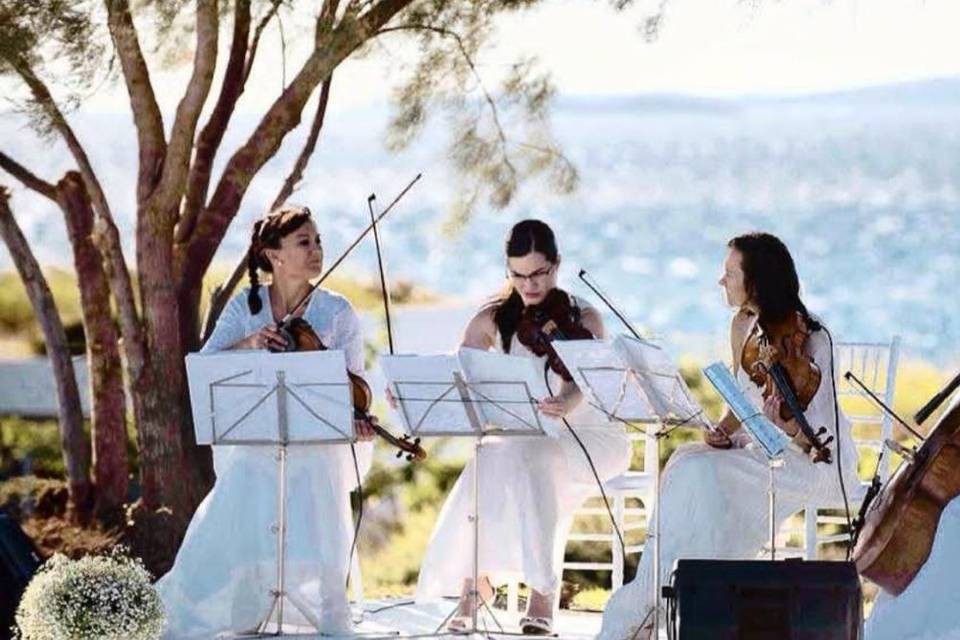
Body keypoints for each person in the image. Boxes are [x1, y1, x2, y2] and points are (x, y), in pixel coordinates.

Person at [599, 231, 860, 640]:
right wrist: (721, 429)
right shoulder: (743, 325)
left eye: (729, 273)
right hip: (765, 449)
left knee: (705, 477)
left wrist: (785, 424)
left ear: (755, 282)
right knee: (686, 461)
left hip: (814, 461)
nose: (722, 281)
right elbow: (743, 396)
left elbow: (817, 442)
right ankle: (661, 592)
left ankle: (688, 598)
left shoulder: (814, 339)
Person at [156, 205, 376, 638]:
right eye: (303, 242)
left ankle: (319, 610)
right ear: (273, 255)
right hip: (257, 440)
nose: (316, 250)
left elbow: (356, 384)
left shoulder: (337, 311)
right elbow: (207, 365)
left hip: (316, 445)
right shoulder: (245, 306)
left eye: (317, 241)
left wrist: (358, 421)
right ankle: (246, 605)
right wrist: (251, 342)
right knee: (237, 504)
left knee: (316, 493)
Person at [413, 219, 632, 634]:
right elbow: (460, 374)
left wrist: (562, 404)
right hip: (526, 437)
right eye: (518, 275)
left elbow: (578, 388)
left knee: (529, 455)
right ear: (507, 271)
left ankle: (538, 593)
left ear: (556, 265)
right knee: (493, 452)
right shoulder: (493, 319)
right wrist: (423, 393)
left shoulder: (583, 317)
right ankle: (474, 581)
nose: (529, 285)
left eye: (538, 274)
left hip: (588, 436)